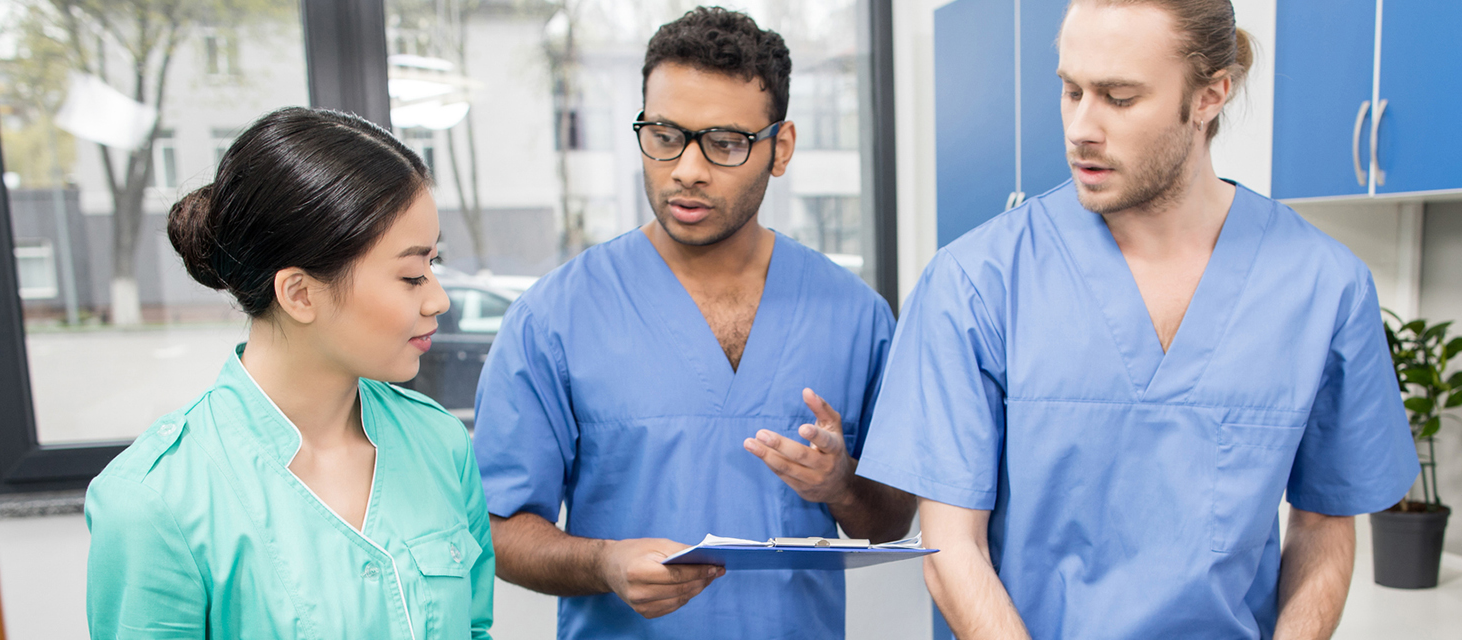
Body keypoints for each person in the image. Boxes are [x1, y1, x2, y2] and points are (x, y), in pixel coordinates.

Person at [854, 1, 1420, 638]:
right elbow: (952, 548)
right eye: (1071, 91)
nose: (1080, 128)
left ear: (1210, 95)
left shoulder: (1325, 287)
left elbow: (1323, 523)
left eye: (1118, 98)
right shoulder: (975, 282)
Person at [474, 7, 913, 640]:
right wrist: (605, 562)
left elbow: (890, 521)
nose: (686, 169)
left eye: (725, 143)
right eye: (664, 135)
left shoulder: (854, 315)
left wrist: (840, 484)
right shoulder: (555, 318)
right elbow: (498, 530)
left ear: (779, 149)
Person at [85, 107, 493, 639]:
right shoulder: (154, 502)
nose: (438, 299)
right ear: (300, 293)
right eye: (413, 275)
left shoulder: (438, 442)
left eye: (433, 266)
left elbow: (475, 629)